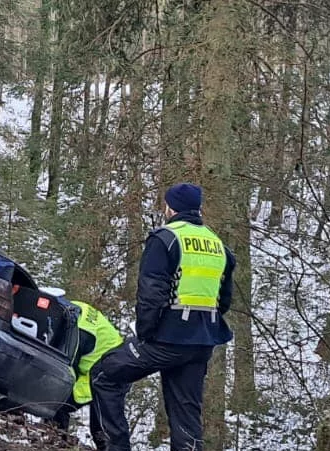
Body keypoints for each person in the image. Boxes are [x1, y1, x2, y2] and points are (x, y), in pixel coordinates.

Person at [89, 183, 236, 451]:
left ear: (170, 207)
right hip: (203, 342)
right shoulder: (219, 246)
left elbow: (151, 294)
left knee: (103, 375)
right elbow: (223, 300)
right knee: (186, 413)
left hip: (166, 339)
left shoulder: (165, 239)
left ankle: (115, 447)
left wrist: (146, 332)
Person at [54, 299, 123, 451]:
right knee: (103, 425)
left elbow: (65, 370)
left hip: (107, 372)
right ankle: (56, 439)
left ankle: (56, 440)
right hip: (113, 360)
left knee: (58, 400)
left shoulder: (76, 334)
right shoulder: (73, 308)